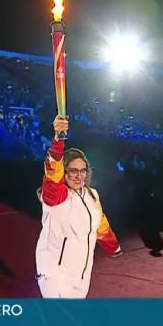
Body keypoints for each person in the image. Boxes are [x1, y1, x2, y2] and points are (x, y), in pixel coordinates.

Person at [35, 115, 123, 303]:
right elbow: (52, 171)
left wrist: (112, 246)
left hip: (81, 274)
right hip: (55, 274)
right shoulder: (56, 196)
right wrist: (58, 139)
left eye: (82, 170)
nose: (78, 176)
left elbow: (100, 224)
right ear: (64, 171)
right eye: (73, 170)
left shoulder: (92, 195)